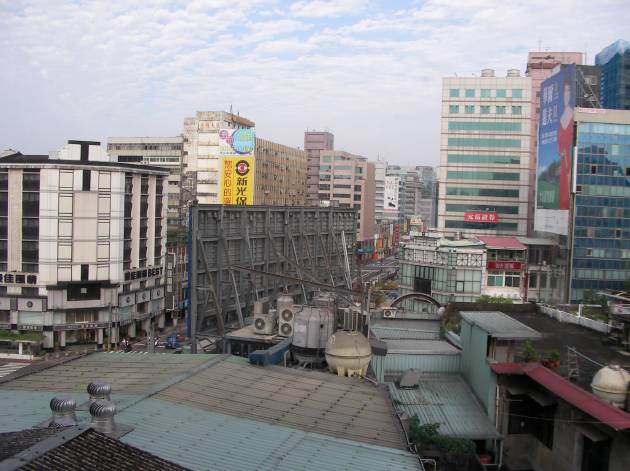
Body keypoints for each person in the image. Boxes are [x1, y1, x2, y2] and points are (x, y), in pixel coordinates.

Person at [557, 75, 574, 210]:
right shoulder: (561, 115)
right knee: (561, 194)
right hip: (562, 163)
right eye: (564, 91)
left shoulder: (572, 114)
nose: (566, 95)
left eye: (568, 91)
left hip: (570, 162)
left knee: (567, 194)